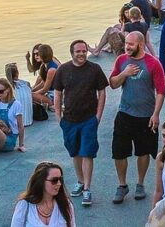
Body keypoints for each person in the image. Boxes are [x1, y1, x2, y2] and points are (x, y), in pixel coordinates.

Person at [109, 31, 165, 204]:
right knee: (119, 152)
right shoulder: (121, 60)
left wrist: (156, 114)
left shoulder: (153, 63)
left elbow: (161, 91)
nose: (127, 46)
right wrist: (124, 73)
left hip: (145, 116)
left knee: (143, 152)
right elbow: (112, 84)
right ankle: (122, 185)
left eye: (131, 44)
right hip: (125, 113)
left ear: (141, 45)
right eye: (126, 43)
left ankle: (140, 184)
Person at [53, 39, 110, 207]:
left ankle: (87, 188)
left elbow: (102, 93)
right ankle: (79, 181)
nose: (81, 54)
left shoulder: (94, 69)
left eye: (84, 51)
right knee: (75, 152)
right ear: (72, 53)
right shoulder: (63, 70)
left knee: (87, 153)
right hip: (69, 120)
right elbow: (57, 94)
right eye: (78, 51)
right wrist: (59, 117)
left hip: (88, 120)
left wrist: (98, 117)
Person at [11, 161, 75, 227]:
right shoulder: (24, 205)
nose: (59, 184)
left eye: (60, 179)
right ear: (41, 181)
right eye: (54, 180)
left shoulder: (66, 204)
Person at [5, 63, 35, 129]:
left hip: (17, 124)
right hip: (29, 121)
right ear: (17, 73)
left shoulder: (8, 88)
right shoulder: (27, 83)